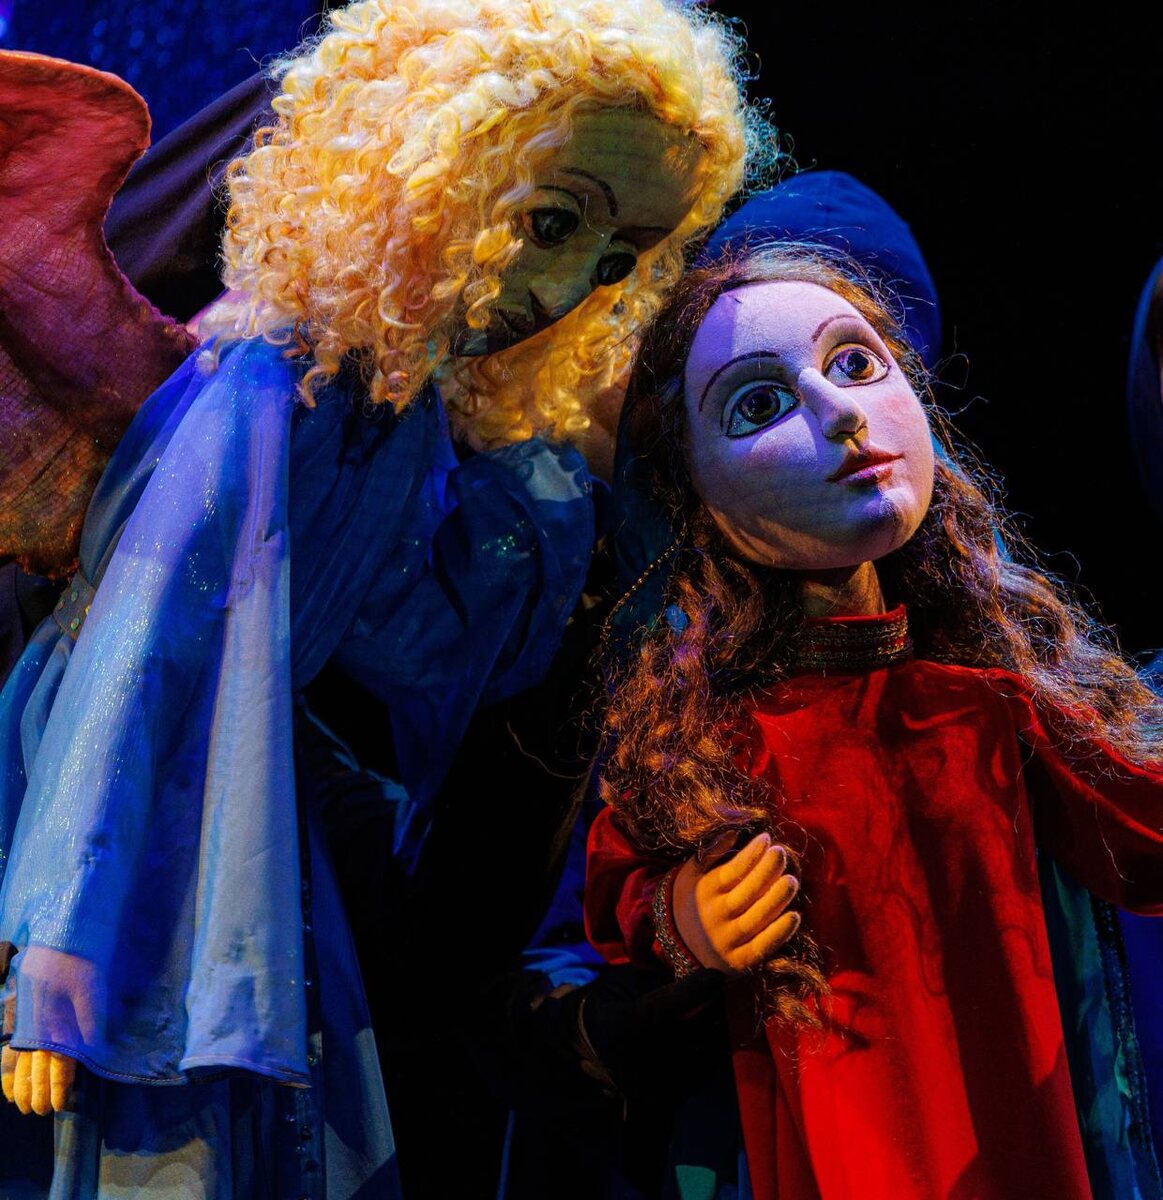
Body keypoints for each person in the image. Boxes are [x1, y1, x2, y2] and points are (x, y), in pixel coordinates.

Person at [0, 1, 757, 1193]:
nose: (569, 285)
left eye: (615, 260)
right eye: (550, 223)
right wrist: (58, 951)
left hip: (259, 795)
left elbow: (429, 655)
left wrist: (552, 501)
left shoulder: (413, 414)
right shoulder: (274, 376)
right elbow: (140, 650)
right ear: (435, 173)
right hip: (128, 794)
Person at [584, 245, 1163, 1199]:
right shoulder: (704, 748)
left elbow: (1143, 834)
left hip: (1012, 1148)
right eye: (758, 404)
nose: (841, 412)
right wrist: (681, 920)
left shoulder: (995, 706)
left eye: (855, 363)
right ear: (697, 499)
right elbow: (613, 900)